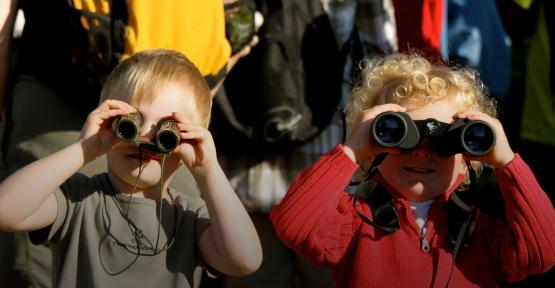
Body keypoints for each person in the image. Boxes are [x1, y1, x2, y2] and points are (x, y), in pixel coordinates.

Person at [0, 1, 258, 287]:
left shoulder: (190, 216)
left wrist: (208, 171)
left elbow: (244, 260)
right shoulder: (77, 199)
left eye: (166, 130)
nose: (146, 135)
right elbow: (5, 210)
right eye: (130, 121)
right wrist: (85, 148)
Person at [269, 53, 555, 287]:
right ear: (375, 145)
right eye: (400, 136)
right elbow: (294, 226)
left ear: (468, 156)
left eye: (444, 142)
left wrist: (506, 162)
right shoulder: (355, 224)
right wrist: (352, 150)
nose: (421, 151)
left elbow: (541, 252)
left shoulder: (482, 233)